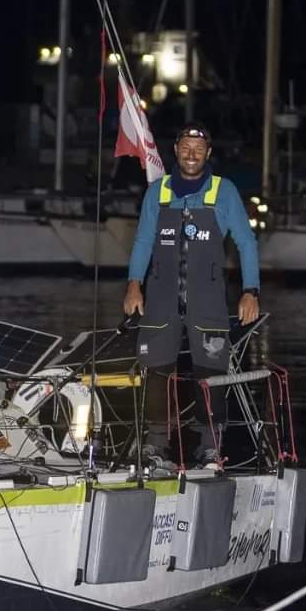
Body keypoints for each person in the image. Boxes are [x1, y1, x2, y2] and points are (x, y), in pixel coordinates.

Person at [122, 125, 260, 469]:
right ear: (176, 150)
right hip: (160, 299)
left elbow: (246, 242)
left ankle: (211, 448)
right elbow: (142, 241)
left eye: (199, 148)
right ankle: (156, 446)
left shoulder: (223, 191)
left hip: (208, 301)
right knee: (156, 373)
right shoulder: (158, 192)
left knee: (210, 375)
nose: (192, 154)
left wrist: (250, 291)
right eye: (186, 147)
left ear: (208, 153)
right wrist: (133, 284)